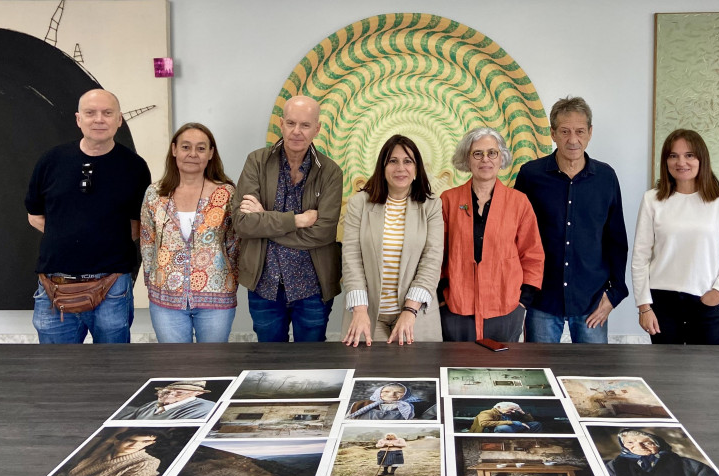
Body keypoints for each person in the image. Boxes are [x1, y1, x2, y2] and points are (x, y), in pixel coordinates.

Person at [25, 89, 151, 343]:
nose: (99, 119)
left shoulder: (134, 167)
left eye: (107, 113)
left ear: (119, 119)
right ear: (78, 119)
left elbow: (139, 224)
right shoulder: (51, 161)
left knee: (113, 370)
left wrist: (100, 241)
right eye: (90, 113)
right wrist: (67, 235)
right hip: (54, 286)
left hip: (112, 285)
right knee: (57, 372)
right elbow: (35, 215)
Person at [514, 96, 628, 343]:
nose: (573, 140)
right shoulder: (530, 175)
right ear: (552, 133)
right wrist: (521, 294)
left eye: (579, 131)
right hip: (542, 299)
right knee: (541, 376)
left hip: (592, 300)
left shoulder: (606, 177)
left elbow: (616, 240)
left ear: (590, 132)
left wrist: (615, 292)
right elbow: (516, 238)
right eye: (564, 131)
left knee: (592, 378)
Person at [232, 96, 343, 342]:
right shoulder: (256, 162)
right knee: (269, 364)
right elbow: (242, 223)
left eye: (305, 125)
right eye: (291, 123)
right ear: (281, 124)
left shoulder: (331, 172)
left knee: (312, 367)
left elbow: (323, 232)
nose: (296, 131)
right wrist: (298, 220)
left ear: (317, 128)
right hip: (265, 285)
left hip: (313, 286)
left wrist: (264, 221)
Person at [631, 129, 719, 345]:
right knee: (666, 375)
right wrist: (644, 307)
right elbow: (640, 258)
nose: (681, 162)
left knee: (706, 375)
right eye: (673, 156)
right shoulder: (652, 200)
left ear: (701, 158)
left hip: (706, 302)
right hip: (662, 304)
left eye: (689, 155)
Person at [439, 127, 544, 342]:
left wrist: (523, 301)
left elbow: (532, 254)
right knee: (457, 369)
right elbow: (436, 253)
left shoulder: (519, 202)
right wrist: (442, 297)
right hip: (456, 308)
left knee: (503, 370)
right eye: (477, 153)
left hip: (505, 307)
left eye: (492, 153)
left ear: (501, 157)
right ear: (467, 159)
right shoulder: (447, 200)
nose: (485, 159)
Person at [140, 123, 238, 343]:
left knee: (213, 368)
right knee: (175, 368)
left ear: (211, 153)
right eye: (186, 147)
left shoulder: (226, 193)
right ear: (174, 150)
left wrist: (228, 279)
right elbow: (147, 241)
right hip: (166, 299)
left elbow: (234, 243)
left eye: (201, 148)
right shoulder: (155, 194)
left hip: (216, 297)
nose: (193, 154)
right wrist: (154, 280)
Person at [341, 135, 443, 346]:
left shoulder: (431, 206)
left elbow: (432, 260)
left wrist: (409, 310)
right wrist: (360, 310)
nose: (400, 168)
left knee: (416, 376)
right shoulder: (359, 204)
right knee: (367, 376)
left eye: (408, 161)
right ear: (382, 167)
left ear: (416, 169)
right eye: (393, 161)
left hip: (416, 315)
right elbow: (351, 257)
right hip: (367, 314)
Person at [605, 428, 719, 476]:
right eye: (630, 443)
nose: (639, 447)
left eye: (647, 442)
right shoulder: (613, 466)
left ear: (659, 445)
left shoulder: (688, 465)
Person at [55, 429, 161, 476]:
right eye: (130, 440)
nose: (135, 445)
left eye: (144, 442)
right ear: (117, 442)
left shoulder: (147, 462)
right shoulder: (100, 456)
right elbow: (67, 473)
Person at [117, 380, 216, 421]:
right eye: (166, 391)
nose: (169, 395)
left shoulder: (205, 408)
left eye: (179, 392)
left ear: (198, 393)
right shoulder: (151, 405)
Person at [346, 382, 437, 420]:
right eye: (386, 391)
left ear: (406, 394)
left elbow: (435, 412)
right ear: (378, 393)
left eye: (398, 392)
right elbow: (348, 419)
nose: (391, 395)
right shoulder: (360, 405)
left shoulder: (415, 406)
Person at [468, 402, 543, 433]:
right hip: (492, 430)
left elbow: (530, 420)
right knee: (503, 428)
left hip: (512, 428)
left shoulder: (510, 413)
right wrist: (512, 422)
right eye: (511, 409)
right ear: (499, 407)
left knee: (536, 424)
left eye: (514, 410)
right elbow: (484, 423)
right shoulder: (487, 412)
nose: (513, 411)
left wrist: (521, 411)